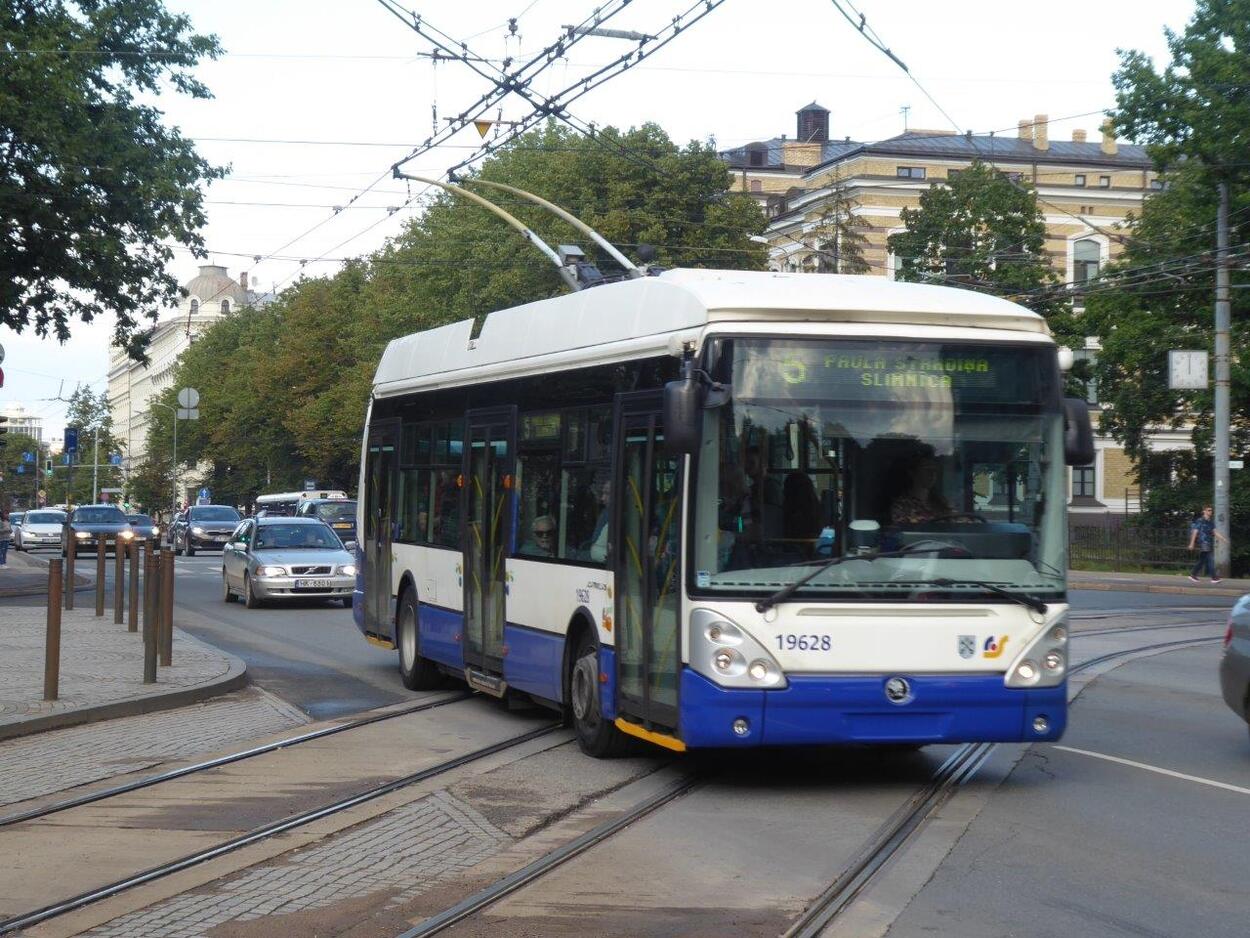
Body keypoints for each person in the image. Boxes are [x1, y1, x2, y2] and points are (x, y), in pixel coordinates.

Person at [890, 454, 953, 525]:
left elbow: (954, 521)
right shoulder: (902, 506)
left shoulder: (942, 502)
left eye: (934, 470)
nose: (932, 474)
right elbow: (905, 533)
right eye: (927, 469)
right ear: (912, 473)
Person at [1187, 505, 1226, 583]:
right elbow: (1195, 532)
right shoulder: (1200, 520)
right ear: (1204, 511)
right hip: (1203, 542)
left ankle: (1193, 575)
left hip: (1209, 542)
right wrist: (1192, 543)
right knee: (1210, 559)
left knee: (1202, 560)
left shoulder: (1210, 522)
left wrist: (1223, 539)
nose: (1210, 512)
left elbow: (1215, 532)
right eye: (1208, 510)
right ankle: (1214, 578)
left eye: (1211, 510)